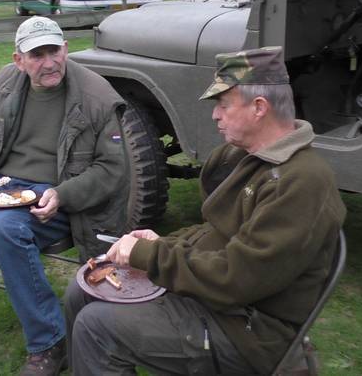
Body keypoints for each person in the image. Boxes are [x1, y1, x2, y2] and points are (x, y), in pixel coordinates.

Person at [64, 46, 347, 375]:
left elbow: (236, 278)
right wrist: (162, 244)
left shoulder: (301, 181)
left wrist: (149, 256)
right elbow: (215, 231)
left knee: (97, 327)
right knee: (80, 292)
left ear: (259, 107)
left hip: (246, 330)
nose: (215, 115)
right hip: (214, 301)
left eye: (224, 104)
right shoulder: (252, 159)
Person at [0, 16, 129, 375]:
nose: (49, 63)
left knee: (4, 228)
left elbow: (112, 169)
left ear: (65, 49)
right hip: (0, 185)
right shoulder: (4, 84)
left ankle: (50, 343)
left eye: (54, 51)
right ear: (18, 60)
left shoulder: (97, 97)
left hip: (60, 194)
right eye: (37, 55)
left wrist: (62, 195)